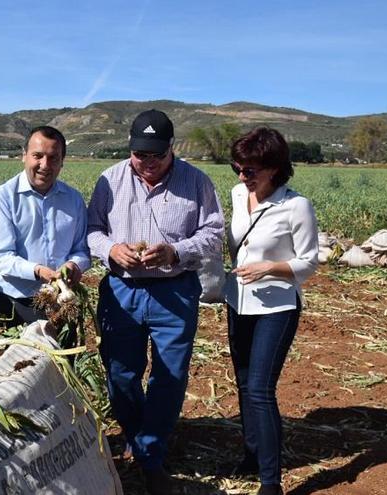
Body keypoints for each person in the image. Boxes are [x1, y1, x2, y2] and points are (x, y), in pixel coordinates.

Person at [86, 109, 224, 494]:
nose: (146, 163)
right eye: (139, 154)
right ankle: (137, 434)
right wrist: (113, 249)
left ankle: (150, 454)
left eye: (155, 156)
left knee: (169, 375)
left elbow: (213, 232)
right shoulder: (110, 180)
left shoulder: (196, 181)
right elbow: (92, 230)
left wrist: (174, 252)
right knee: (121, 373)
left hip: (174, 291)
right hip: (121, 291)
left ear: (170, 149)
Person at [225, 127, 318, 495]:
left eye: (251, 170)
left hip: (276, 306)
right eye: (238, 168)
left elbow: (310, 262)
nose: (243, 176)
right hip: (238, 300)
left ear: (275, 169)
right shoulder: (237, 194)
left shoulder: (296, 206)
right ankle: (251, 455)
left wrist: (270, 267)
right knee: (245, 385)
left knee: (262, 389)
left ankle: (271, 481)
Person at [0, 126, 91, 344]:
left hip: (61, 303)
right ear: (24, 156)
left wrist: (74, 265)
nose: (45, 165)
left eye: (53, 158)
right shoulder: (3, 197)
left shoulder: (74, 200)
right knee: (15, 374)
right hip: (15, 305)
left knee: (62, 371)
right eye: (37, 156)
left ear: (62, 161)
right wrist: (37, 271)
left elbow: (82, 250)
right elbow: (0, 258)